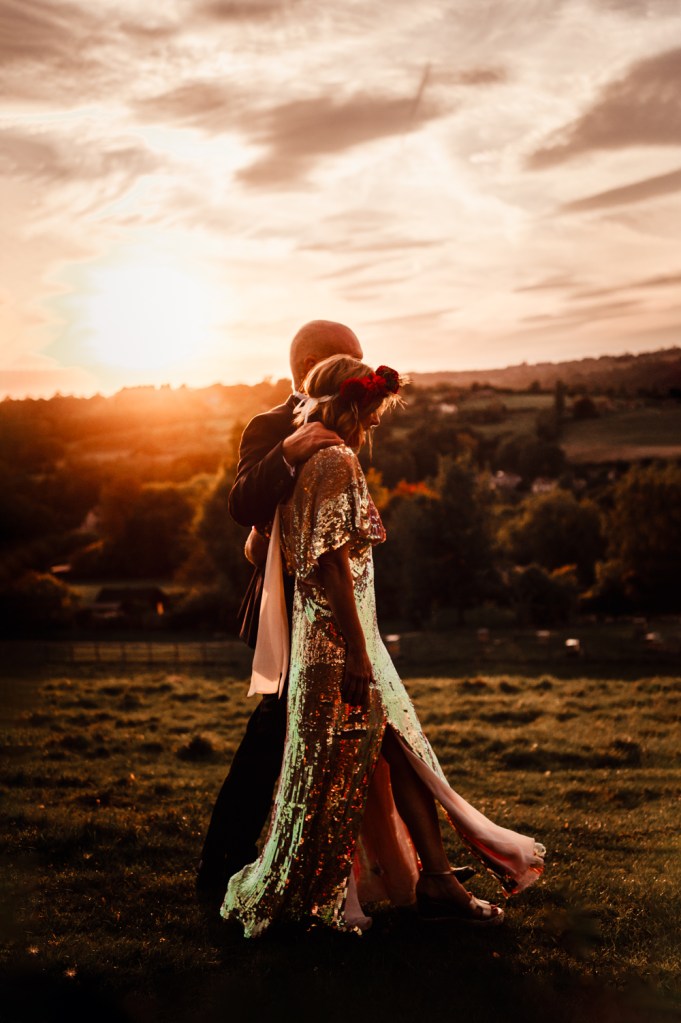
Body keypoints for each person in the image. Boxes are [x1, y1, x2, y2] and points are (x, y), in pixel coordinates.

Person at [221, 355, 545, 936]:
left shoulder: (301, 458)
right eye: (369, 416)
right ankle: (316, 897)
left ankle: (435, 880)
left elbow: (264, 546)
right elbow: (332, 567)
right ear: (349, 406)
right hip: (340, 642)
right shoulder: (333, 459)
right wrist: (360, 653)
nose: (370, 429)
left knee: (397, 754)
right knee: (330, 774)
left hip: (337, 638)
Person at [197, 321, 476, 900]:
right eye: (351, 359)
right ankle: (226, 866)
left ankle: (400, 871)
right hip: (289, 616)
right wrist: (289, 450)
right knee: (276, 745)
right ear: (314, 368)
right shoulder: (271, 426)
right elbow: (241, 504)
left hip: (340, 613)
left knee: (374, 744)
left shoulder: (346, 432)